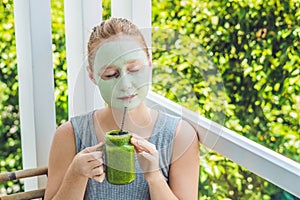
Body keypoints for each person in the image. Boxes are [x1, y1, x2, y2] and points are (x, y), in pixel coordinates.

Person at [44, 17, 199, 200]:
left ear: (149, 64)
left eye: (134, 70)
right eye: (110, 75)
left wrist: (154, 177)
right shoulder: (70, 135)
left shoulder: (180, 136)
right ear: (92, 76)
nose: (125, 84)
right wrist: (76, 174)